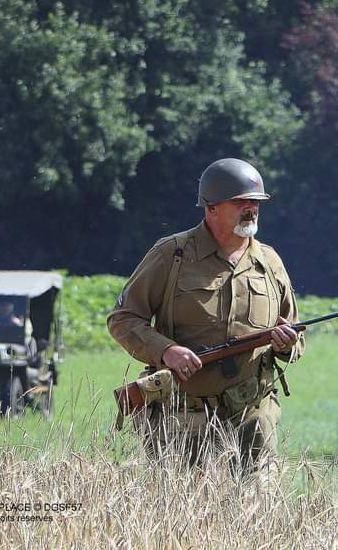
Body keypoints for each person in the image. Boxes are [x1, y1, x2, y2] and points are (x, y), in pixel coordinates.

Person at [107, 157, 303, 474]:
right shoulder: (171, 254)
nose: (251, 209)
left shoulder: (269, 262)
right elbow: (123, 319)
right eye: (240, 202)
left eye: (256, 202)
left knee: (257, 505)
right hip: (183, 421)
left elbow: (295, 333)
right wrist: (167, 351)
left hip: (254, 421)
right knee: (182, 505)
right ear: (211, 207)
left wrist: (287, 344)